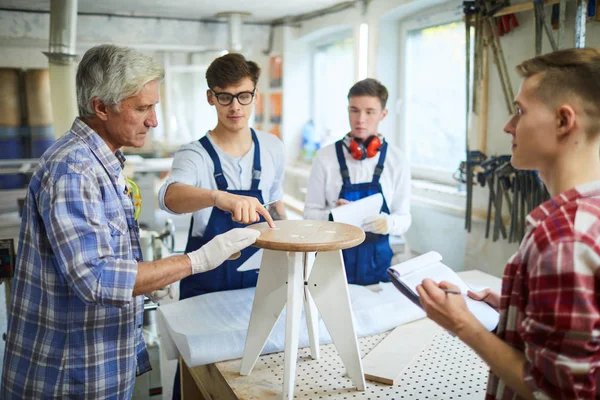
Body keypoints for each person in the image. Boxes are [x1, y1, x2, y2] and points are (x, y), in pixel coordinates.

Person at [0, 44, 260, 399]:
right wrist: (193, 261)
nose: (153, 120)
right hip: (68, 376)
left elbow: (103, 256)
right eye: (143, 108)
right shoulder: (74, 170)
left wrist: (149, 277)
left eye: (153, 106)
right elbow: (97, 279)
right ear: (101, 107)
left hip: (99, 366)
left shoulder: (104, 163)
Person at [417, 48, 600, 399]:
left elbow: (557, 393)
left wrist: (463, 323)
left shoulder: (563, 239)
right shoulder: (590, 213)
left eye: (520, 111)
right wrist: (519, 308)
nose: (508, 125)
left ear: (564, 121)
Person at [158, 52, 285, 299]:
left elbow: (276, 204)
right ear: (210, 98)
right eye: (225, 97)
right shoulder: (194, 154)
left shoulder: (273, 147)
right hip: (206, 288)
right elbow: (169, 197)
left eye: (244, 96)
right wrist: (218, 197)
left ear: (255, 96)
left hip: (261, 283)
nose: (235, 106)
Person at [304, 78, 411, 285]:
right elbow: (309, 214)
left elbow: (404, 217)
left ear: (383, 114)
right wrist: (333, 216)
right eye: (354, 110)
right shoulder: (325, 158)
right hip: (332, 264)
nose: (360, 119)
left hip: (378, 267)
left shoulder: (397, 161)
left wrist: (387, 222)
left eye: (369, 112)